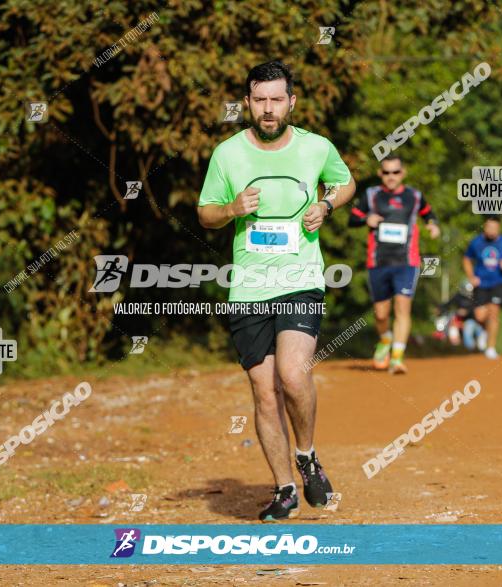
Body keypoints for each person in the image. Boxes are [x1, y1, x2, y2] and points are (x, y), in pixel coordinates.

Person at [197, 60, 356, 522]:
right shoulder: (227, 154)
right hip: (248, 285)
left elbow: (345, 183)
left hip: (300, 278)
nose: (268, 110)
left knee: (291, 374)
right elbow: (205, 213)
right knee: (264, 392)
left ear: (292, 102)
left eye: (276, 100)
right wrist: (231, 207)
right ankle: (285, 487)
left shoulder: (316, 147)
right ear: (248, 103)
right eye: (260, 100)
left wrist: (326, 204)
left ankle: (306, 454)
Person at [347, 156, 440, 374]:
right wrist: (365, 220)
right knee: (381, 314)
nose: (391, 177)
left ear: (403, 172)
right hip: (378, 261)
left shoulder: (414, 197)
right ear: (381, 174)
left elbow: (429, 214)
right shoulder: (371, 196)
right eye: (387, 172)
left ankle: (397, 358)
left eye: (395, 172)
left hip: (406, 262)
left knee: (402, 307)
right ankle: (385, 340)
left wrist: (433, 225)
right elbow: (352, 219)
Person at [463, 216, 502, 359]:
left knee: (494, 312)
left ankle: (491, 348)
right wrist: (471, 276)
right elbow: (467, 259)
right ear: (484, 227)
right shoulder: (476, 242)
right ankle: (484, 332)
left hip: (498, 282)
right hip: (481, 283)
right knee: (480, 315)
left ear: (499, 228)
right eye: (489, 227)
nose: (492, 230)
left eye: (495, 228)